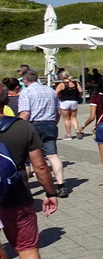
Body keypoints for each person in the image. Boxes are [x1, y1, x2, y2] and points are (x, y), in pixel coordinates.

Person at [0, 83, 59, 259]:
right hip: (17, 197)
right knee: (26, 247)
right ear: (7, 98)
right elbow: (40, 167)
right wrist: (50, 192)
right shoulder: (22, 127)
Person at [17, 69, 67, 198]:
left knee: (28, 158)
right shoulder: (50, 91)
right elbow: (58, 111)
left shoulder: (26, 92)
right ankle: (61, 185)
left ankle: (25, 188)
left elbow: (25, 113)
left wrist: (19, 127)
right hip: (49, 123)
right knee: (53, 155)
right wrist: (54, 123)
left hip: (33, 125)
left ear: (25, 80)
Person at [54, 71, 83, 140]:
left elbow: (55, 93)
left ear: (62, 77)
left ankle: (69, 134)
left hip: (65, 102)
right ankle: (77, 130)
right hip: (74, 101)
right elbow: (81, 90)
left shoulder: (62, 84)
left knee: (66, 119)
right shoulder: (75, 83)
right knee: (73, 117)